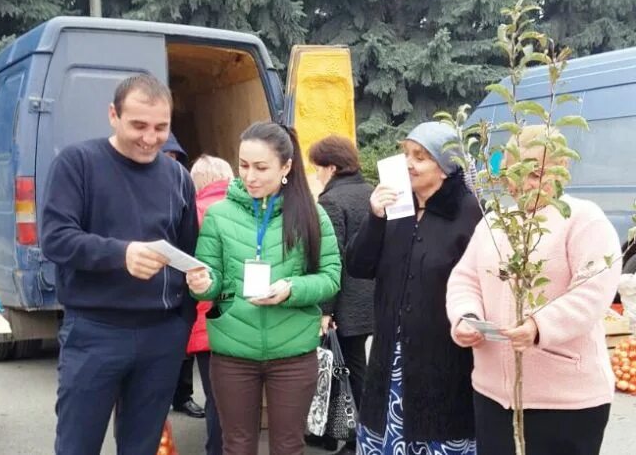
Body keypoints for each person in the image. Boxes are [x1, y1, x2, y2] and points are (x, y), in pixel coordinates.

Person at [41, 74, 198, 455]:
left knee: (142, 448)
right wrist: (120, 254)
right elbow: (55, 239)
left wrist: (184, 319)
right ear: (113, 115)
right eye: (138, 125)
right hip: (95, 332)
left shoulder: (178, 176)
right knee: (78, 445)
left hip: (161, 336)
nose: (150, 138)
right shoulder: (77, 163)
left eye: (161, 127)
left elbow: (190, 253)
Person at [446, 125, 622, 455]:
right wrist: (466, 316)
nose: (522, 186)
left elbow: (592, 290)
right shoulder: (494, 222)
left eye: (535, 174)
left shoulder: (583, 219)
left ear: (562, 168)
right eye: (514, 173)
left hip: (566, 402)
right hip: (493, 396)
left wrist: (538, 326)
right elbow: (464, 279)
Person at [185, 122, 342, 455]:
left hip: (293, 354)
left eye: (260, 167)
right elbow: (209, 276)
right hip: (232, 353)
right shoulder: (219, 215)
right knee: (237, 446)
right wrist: (202, 284)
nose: (250, 176)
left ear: (286, 167)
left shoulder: (311, 214)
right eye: (243, 165)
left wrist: (292, 288)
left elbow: (330, 276)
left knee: (287, 446)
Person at [346, 121, 481, 455]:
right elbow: (359, 266)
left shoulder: (468, 213)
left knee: (437, 435)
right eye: (406, 153)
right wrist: (375, 217)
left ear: (446, 166)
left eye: (420, 157)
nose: (408, 163)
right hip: (390, 356)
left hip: (444, 359)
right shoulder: (396, 206)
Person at [307, 135, 375, 455]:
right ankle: (335, 432)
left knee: (347, 369)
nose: (317, 175)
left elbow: (331, 261)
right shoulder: (371, 192)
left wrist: (326, 310)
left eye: (318, 168)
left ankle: (354, 437)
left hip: (346, 299)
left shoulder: (331, 202)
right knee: (347, 365)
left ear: (331, 167)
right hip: (371, 297)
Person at [187, 154, 235, 455]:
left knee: (215, 398)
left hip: (205, 321)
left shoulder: (191, 212)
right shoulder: (244, 211)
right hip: (242, 318)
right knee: (237, 398)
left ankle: (216, 450)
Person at [162, 133, 207, 420]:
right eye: (166, 158)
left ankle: (182, 396)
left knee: (182, 345)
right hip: (148, 283)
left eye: (175, 159)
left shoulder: (181, 188)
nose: (170, 164)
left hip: (180, 280)